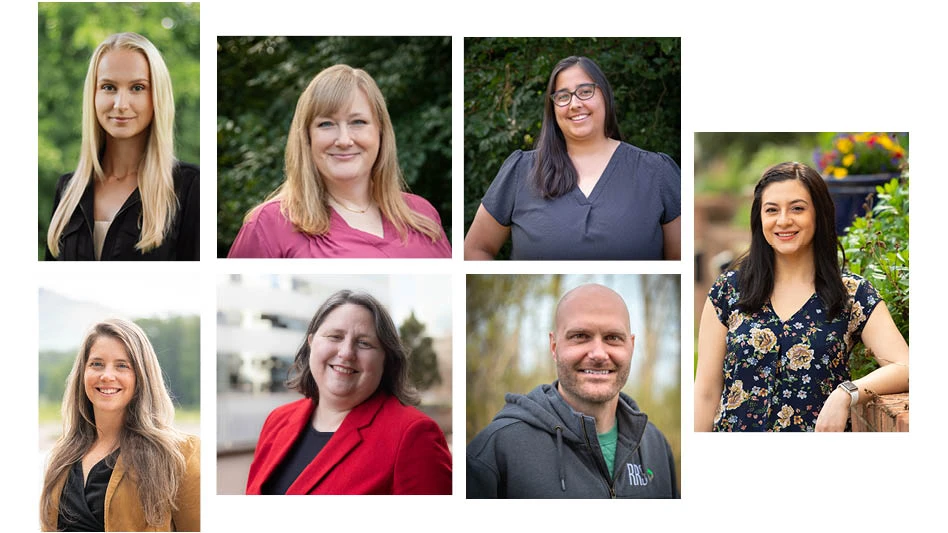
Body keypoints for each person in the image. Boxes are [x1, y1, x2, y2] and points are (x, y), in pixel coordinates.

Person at [694, 162, 910, 432]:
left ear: (819, 214)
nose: (783, 220)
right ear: (759, 218)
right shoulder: (729, 291)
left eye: (797, 208)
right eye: (772, 210)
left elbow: (905, 366)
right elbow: (705, 392)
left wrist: (847, 393)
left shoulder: (852, 294)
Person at [467, 284, 679, 498]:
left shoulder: (655, 446)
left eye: (613, 338)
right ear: (554, 346)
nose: (598, 354)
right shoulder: (497, 448)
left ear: (631, 346)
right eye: (580, 336)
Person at [464, 56, 681, 260]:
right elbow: (475, 249)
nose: (575, 104)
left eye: (585, 91)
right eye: (563, 96)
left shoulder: (657, 172)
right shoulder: (521, 170)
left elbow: (682, 263)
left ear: (605, 95)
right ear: (553, 107)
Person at [227, 65, 451, 258]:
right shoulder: (269, 225)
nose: (344, 140)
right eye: (326, 124)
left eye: (358, 122)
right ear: (307, 137)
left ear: (380, 132)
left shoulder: (423, 215)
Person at [246, 290, 452, 494]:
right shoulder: (277, 420)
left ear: (386, 360)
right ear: (311, 343)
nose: (346, 353)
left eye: (364, 343)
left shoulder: (413, 436)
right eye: (335, 336)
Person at [45, 32, 199, 261]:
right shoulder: (68, 189)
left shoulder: (189, 187)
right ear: (93, 95)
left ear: (157, 96)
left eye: (137, 88)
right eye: (108, 87)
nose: (121, 104)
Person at [40, 319, 200, 531]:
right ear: (83, 373)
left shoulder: (179, 456)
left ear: (142, 376)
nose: (107, 376)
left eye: (122, 365)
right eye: (96, 364)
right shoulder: (62, 456)